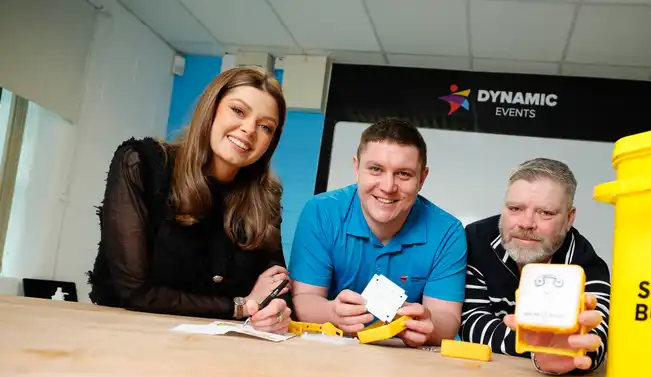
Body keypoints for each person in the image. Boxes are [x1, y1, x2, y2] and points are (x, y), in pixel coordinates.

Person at [87, 66, 291, 333]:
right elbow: (135, 292)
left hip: (220, 352)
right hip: (128, 338)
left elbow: (276, 284)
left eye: (265, 126)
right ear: (211, 110)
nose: (249, 129)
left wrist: (277, 311)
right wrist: (240, 306)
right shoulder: (142, 164)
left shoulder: (265, 198)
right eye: (238, 111)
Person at [289, 118, 466, 347]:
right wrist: (332, 312)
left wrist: (429, 324)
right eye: (375, 169)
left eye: (403, 174)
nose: (388, 186)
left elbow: (447, 319)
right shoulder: (320, 212)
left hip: (404, 361)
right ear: (356, 168)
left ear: (422, 178)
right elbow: (304, 299)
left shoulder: (448, 232)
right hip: (328, 351)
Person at [461, 158, 610, 375]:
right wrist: (538, 346)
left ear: (569, 219)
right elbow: (471, 322)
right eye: (515, 208)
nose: (526, 223)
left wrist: (557, 352)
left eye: (545, 213)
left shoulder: (587, 266)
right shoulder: (475, 241)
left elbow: (593, 342)